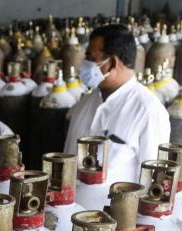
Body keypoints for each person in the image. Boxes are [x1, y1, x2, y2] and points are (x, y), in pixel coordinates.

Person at [64, 24, 170, 185]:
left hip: (112, 209)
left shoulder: (148, 110)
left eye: (91, 58)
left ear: (113, 63)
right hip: (72, 206)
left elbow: (153, 181)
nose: (84, 64)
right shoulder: (85, 102)